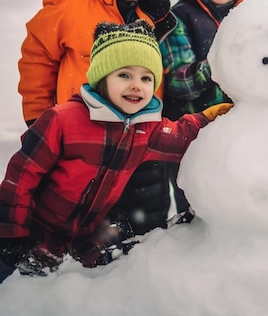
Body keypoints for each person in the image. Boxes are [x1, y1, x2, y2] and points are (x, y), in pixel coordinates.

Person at [0, 21, 232, 283]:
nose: (136, 85)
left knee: (69, 292)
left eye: (146, 78)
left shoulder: (145, 129)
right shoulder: (62, 121)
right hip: (31, 233)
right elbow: (20, 178)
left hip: (80, 241)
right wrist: (13, 235)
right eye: (124, 75)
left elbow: (180, 136)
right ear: (102, 77)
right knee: (12, 293)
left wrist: (210, 119)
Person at [16, 0, 181, 248]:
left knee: (138, 208)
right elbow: (37, 58)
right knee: (73, 206)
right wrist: (38, 118)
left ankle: (137, 256)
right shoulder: (69, 5)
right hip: (78, 133)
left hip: (135, 132)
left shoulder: (151, 16)